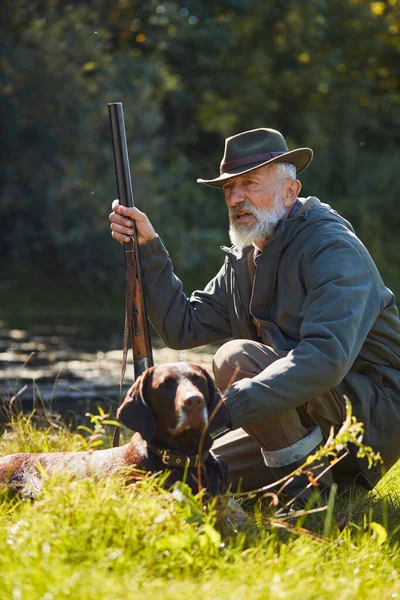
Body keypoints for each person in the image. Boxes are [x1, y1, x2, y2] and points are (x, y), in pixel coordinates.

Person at [109, 127, 400, 498]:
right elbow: (182, 327)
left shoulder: (333, 250)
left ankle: (309, 496)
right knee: (184, 473)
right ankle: (306, 478)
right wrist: (148, 248)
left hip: (366, 426)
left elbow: (326, 359)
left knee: (235, 356)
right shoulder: (248, 256)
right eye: (229, 188)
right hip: (300, 419)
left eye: (249, 183)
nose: (236, 197)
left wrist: (225, 409)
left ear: (290, 191)